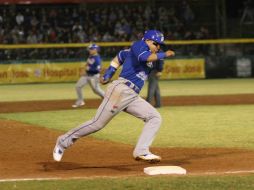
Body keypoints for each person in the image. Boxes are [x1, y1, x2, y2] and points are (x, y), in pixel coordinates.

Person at [53, 30, 175, 163]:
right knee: (97, 123)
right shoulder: (139, 45)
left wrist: (108, 73)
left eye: (160, 46)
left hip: (132, 95)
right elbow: (143, 58)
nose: (158, 48)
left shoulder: (144, 54)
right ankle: (63, 142)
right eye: (157, 44)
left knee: (154, 117)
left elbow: (120, 56)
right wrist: (165, 54)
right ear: (147, 41)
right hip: (121, 90)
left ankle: (141, 151)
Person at [72, 44, 105, 108]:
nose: (90, 50)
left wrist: (88, 69)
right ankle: (80, 101)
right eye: (90, 49)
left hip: (94, 76)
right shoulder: (91, 56)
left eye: (91, 49)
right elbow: (87, 64)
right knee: (78, 86)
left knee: (96, 90)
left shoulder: (97, 59)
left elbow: (98, 70)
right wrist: (84, 69)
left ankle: (108, 99)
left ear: (95, 50)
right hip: (87, 75)